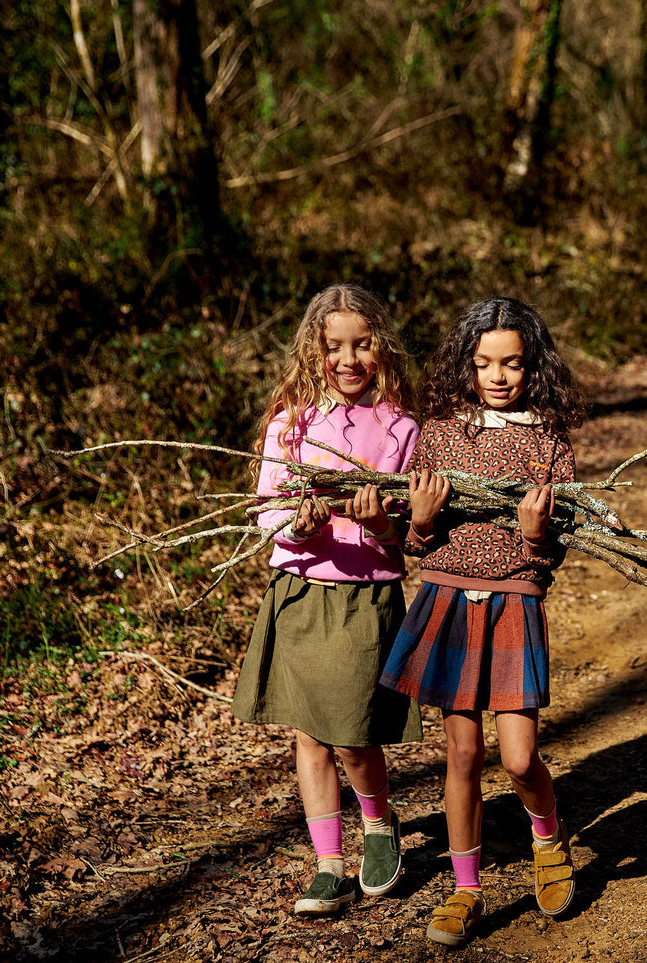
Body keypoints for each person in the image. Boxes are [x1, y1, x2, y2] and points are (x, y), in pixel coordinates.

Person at [379, 296, 588, 946]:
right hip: (445, 598)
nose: (497, 376)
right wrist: (416, 518)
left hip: (513, 604)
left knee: (520, 756)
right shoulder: (439, 435)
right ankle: (465, 888)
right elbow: (415, 543)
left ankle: (547, 834)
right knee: (462, 752)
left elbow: (550, 555)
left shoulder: (548, 445)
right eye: (484, 363)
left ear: (533, 367)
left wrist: (531, 537)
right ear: (465, 364)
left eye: (512, 364)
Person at [231, 283, 423, 916]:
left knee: (352, 735)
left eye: (362, 345)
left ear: (382, 347)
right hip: (299, 591)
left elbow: (408, 528)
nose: (348, 359)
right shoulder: (291, 423)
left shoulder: (400, 427)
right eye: (333, 346)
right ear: (312, 350)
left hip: (364, 598)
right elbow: (267, 513)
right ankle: (328, 862)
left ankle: (378, 822)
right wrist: (299, 525)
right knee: (309, 735)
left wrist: (381, 523)